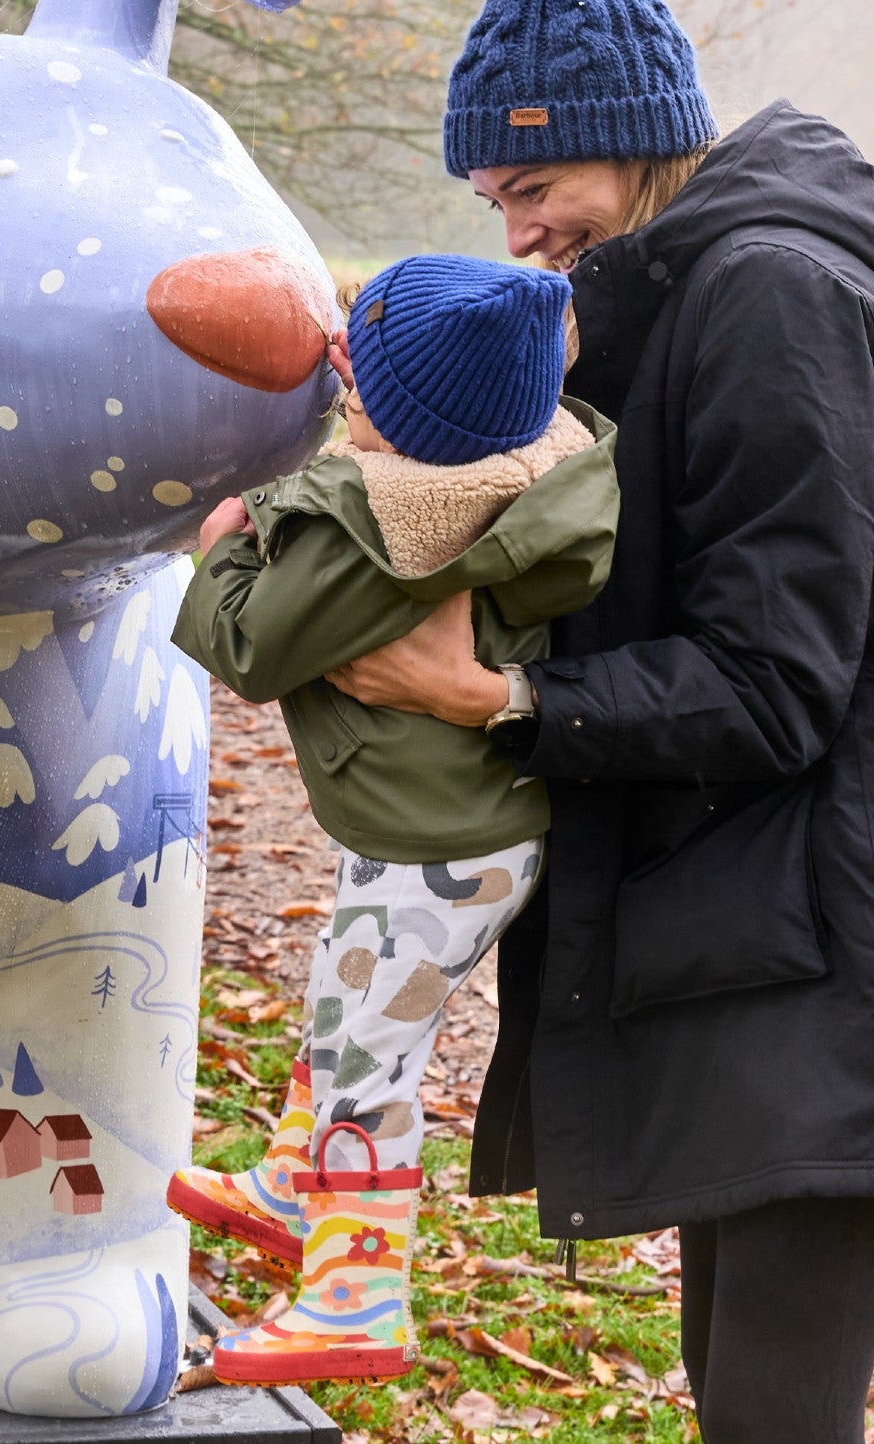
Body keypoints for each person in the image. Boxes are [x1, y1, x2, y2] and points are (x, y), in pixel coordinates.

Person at [318, 0, 874, 1443]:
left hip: (855, 931)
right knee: (751, 1412)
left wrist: (498, 700)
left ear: (642, 138)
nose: (521, 237)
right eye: (495, 210)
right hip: (769, 925)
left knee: (774, 1418)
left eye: (538, 192)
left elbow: (775, 680)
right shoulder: (661, 302)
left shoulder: (771, 296)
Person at [165, 254, 618, 1386]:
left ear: (410, 427)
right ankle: (288, 1183)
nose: (342, 391)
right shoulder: (515, 459)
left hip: (442, 843)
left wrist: (218, 547)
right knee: (342, 1001)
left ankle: (354, 1297)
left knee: (370, 1051)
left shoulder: (388, 530)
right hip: (450, 824)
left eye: (360, 391)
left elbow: (254, 646)